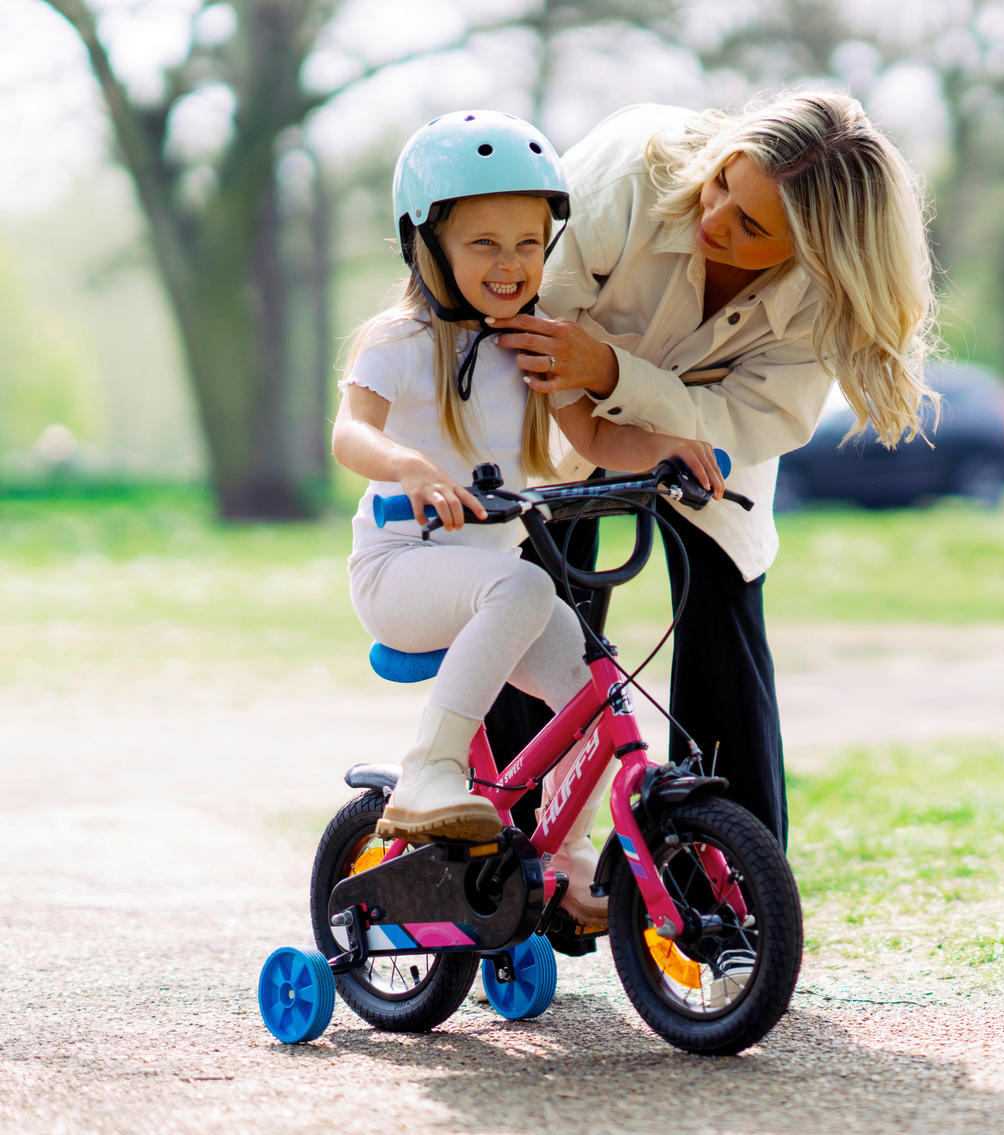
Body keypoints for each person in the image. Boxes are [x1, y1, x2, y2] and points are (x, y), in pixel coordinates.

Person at [484, 90, 940, 849]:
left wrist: (614, 373)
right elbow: (536, 318)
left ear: (816, 252)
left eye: (752, 225)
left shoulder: (822, 299)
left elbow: (756, 421)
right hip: (547, 403)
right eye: (725, 180)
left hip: (701, 441)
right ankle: (510, 853)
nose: (714, 217)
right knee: (537, 599)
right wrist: (597, 402)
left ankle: (726, 877)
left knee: (722, 601)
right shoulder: (636, 166)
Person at [330, 110, 723, 928]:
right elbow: (350, 433)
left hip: (489, 581)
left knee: (586, 682)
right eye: (484, 244)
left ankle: (562, 844)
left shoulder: (534, 346)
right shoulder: (397, 342)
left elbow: (591, 437)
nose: (511, 265)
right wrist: (407, 465)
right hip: (401, 567)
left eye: (529, 243)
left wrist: (664, 449)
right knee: (521, 586)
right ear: (427, 244)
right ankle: (429, 771)